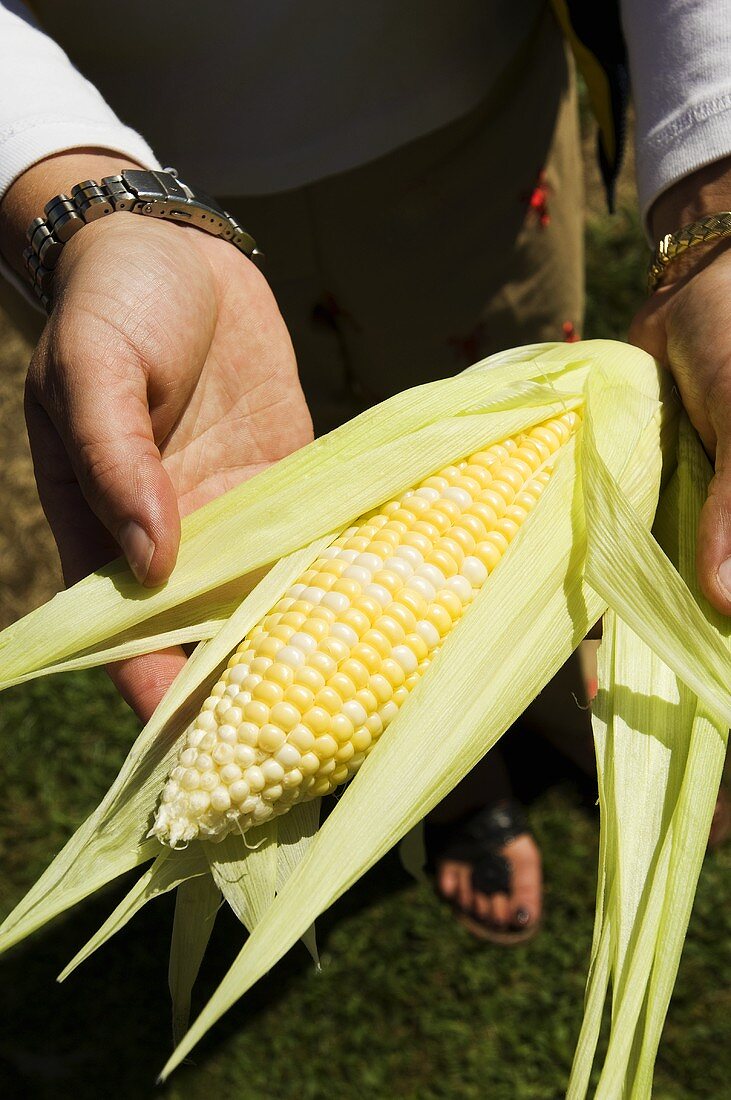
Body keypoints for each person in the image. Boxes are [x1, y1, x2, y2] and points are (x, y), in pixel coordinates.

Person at [0, 0, 729, 941]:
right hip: (119, 144)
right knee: (278, 472)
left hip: (462, 116)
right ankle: (460, 785)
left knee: (545, 498)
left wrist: (715, 186)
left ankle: (564, 696)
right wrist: (61, 173)